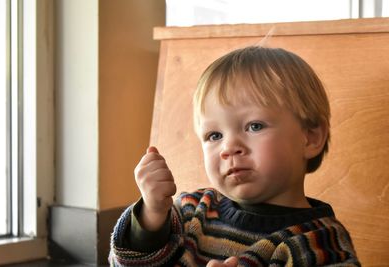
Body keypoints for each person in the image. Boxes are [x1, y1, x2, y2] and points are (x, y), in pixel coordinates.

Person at [109, 46, 360, 266]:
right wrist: (152, 213)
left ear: (311, 138)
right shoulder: (191, 213)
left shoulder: (320, 243)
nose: (229, 147)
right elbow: (125, 263)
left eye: (255, 126)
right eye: (214, 135)